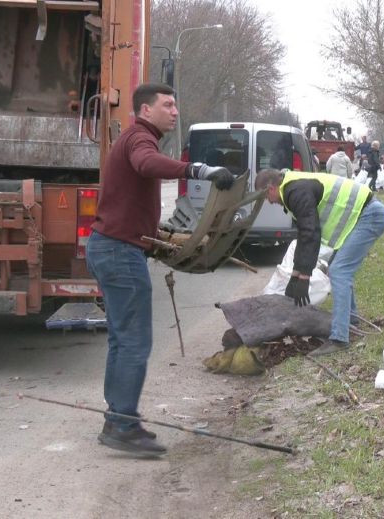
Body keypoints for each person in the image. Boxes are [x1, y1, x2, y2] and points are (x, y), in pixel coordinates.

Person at [87, 83, 235, 455]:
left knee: (122, 340)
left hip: (111, 247)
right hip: (119, 253)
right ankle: (123, 425)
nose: (174, 111)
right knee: (134, 342)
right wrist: (197, 169)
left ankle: (117, 419)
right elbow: (146, 164)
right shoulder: (140, 139)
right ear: (145, 110)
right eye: (167, 105)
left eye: (175, 105)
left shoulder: (136, 137)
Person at [254, 169, 384, 356]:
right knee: (337, 269)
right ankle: (351, 320)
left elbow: (311, 233)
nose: (269, 202)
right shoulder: (291, 189)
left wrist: (305, 277)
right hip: (362, 215)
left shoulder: (295, 192)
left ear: (270, 188)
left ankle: (339, 338)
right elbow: (303, 236)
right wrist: (295, 275)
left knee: (339, 271)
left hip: (369, 216)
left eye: (266, 197)